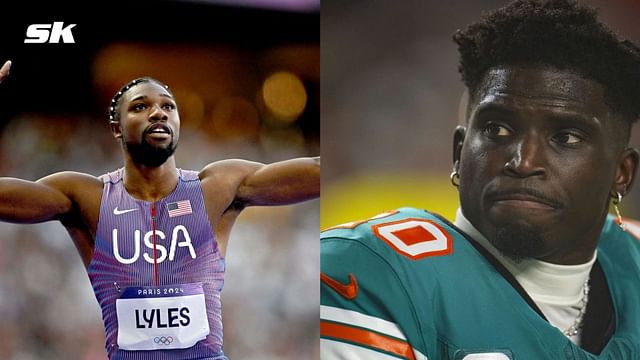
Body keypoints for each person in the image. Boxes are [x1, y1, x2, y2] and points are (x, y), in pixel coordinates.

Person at [320, 0, 640, 358]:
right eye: (497, 129)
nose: (523, 161)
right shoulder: (372, 273)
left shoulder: (633, 262)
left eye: (565, 137)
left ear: (621, 174)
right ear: (459, 152)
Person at [0, 59, 319, 360]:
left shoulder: (217, 188)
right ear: (116, 128)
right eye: (141, 107)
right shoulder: (86, 197)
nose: (158, 113)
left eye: (168, 106)